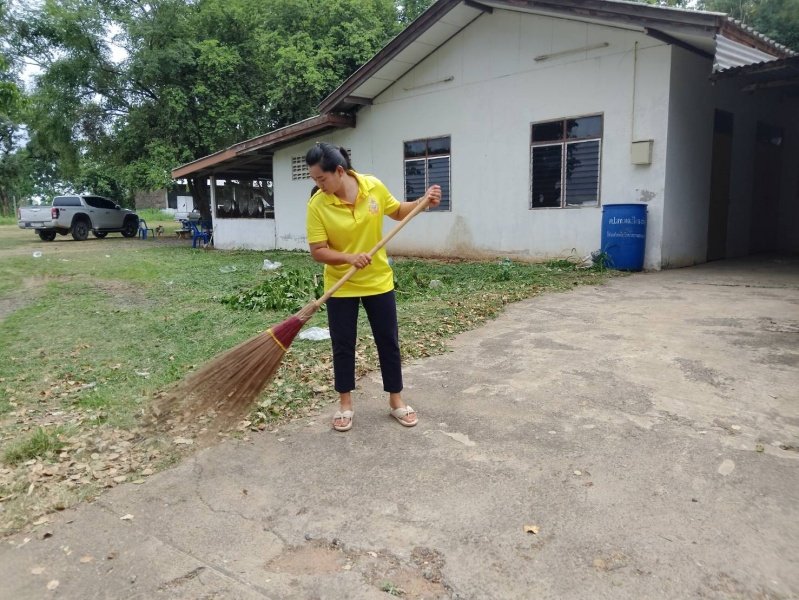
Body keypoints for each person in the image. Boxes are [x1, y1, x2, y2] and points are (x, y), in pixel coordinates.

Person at [305, 142, 441, 432]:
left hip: (378, 280)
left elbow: (398, 211)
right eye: (314, 179)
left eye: (321, 178)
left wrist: (422, 202)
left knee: (388, 341)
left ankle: (396, 401)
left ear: (339, 171)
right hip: (341, 286)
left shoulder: (373, 187)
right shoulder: (318, 204)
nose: (318, 184)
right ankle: (345, 404)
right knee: (343, 345)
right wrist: (348, 257)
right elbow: (318, 250)